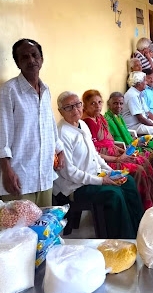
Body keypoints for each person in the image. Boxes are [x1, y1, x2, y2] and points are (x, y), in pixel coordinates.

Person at [54, 91, 144, 238]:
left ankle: (139, 227)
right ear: (60, 111)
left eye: (77, 105)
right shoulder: (62, 133)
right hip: (75, 187)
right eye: (69, 107)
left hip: (94, 175)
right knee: (114, 194)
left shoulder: (82, 124)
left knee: (128, 182)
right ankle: (123, 238)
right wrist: (102, 180)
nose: (75, 109)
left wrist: (110, 172)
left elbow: (94, 155)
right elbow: (70, 173)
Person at [0, 39, 65, 207]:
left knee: (43, 227)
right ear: (17, 63)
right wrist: (7, 171)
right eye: (24, 57)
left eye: (34, 55)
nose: (31, 60)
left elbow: (50, 125)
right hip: (19, 177)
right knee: (21, 232)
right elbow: (0, 135)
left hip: (44, 175)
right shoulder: (8, 91)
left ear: (41, 58)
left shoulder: (46, 90)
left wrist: (59, 150)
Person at [81, 89, 153, 210]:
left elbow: (109, 142)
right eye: (92, 103)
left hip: (113, 153)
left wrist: (122, 151)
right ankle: (136, 207)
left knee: (142, 160)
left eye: (99, 102)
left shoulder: (99, 117)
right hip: (103, 161)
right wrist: (118, 158)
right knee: (138, 170)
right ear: (85, 105)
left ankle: (147, 202)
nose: (97, 106)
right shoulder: (86, 123)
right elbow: (94, 153)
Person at [105, 92, 153, 191]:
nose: (118, 106)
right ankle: (149, 187)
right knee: (146, 156)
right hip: (122, 149)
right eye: (115, 103)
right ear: (109, 104)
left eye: (121, 103)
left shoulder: (118, 117)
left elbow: (127, 134)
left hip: (130, 144)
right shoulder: (107, 120)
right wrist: (130, 147)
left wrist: (135, 141)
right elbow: (111, 142)